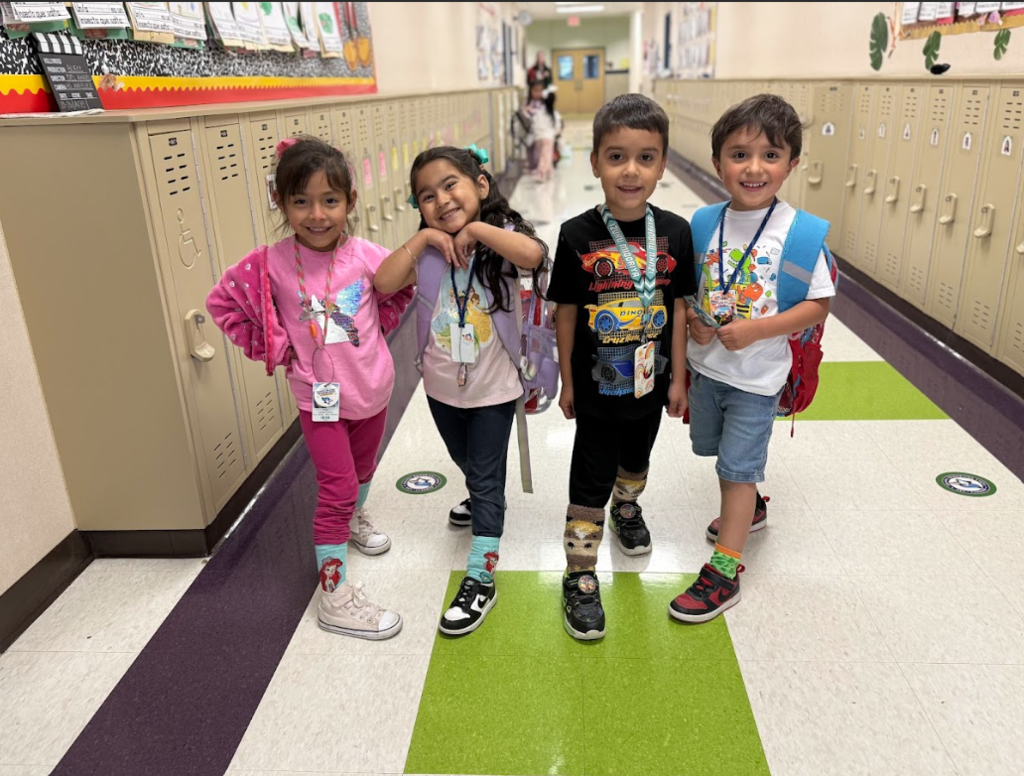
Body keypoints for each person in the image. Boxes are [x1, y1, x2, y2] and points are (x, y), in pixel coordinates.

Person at [206, 136, 413, 640]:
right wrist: (273, 347)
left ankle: (354, 521)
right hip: (320, 401)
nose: (316, 214)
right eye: (301, 201)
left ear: (350, 202)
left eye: (329, 201)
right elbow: (222, 304)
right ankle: (334, 594)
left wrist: (377, 338)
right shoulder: (269, 263)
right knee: (337, 487)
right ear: (281, 202)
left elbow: (402, 286)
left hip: (374, 390)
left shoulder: (366, 255)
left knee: (363, 471)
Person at [670, 94, 836, 624]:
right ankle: (754, 507)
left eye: (770, 154)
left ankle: (724, 570)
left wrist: (758, 330)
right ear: (718, 162)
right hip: (707, 369)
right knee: (716, 452)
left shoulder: (801, 233)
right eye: (739, 154)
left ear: (792, 163)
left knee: (735, 470)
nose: (754, 167)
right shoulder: (702, 222)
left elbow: (818, 304)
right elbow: (691, 288)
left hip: (759, 377)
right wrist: (696, 322)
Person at [375, 145, 549, 636]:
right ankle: (478, 491)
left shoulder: (501, 239)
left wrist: (474, 231)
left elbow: (535, 256)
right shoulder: (427, 251)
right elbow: (383, 282)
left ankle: (481, 575)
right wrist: (426, 238)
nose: (442, 199)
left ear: (481, 185)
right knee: (466, 461)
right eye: (426, 196)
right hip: (440, 387)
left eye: (451, 184)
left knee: (487, 477)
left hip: (494, 390)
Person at [547, 94, 696, 641]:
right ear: (594, 163)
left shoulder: (677, 233)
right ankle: (580, 574)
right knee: (590, 472)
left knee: (637, 458)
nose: (630, 170)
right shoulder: (574, 234)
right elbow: (564, 311)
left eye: (645, 157)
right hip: (593, 386)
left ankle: (626, 509)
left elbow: (679, 310)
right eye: (616, 156)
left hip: (651, 383)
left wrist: (679, 377)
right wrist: (566, 379)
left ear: (662, 164)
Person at [531, 87, 563, 182]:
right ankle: (540, 175)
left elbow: (534, 124)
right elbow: (557, 128)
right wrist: (555, 134)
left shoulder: (539, 112)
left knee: (543, 156)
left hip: (538, 138)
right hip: (548, 138)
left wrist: (537, 134)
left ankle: (549, 173)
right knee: (546, 157)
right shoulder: (554, 114)